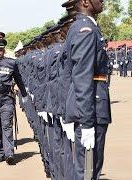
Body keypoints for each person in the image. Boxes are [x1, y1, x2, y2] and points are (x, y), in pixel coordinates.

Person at [64, 0, 112, 179]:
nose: (103, 1)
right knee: (88, 171)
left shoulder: (84, 27)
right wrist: (86, 123)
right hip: (91, 109)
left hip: (91, 107)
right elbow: (82, 78)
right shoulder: (86, 31)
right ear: (85, 2)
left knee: (87, 169)